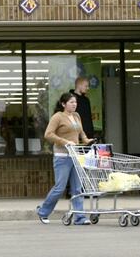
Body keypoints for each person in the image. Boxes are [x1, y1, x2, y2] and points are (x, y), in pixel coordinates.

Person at [36, 93, 95, 224]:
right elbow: (48, 134)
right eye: (71, 102)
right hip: (62, 157)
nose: (74, 104)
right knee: (60, 187)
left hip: (76, 155)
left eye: (75, 102)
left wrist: (87, 140)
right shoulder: (58, 117)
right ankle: (43, 212)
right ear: (63, 104)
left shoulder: (76, 116)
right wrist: (64, 142)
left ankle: (79, 217)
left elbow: (81, 133)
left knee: (77, 188)